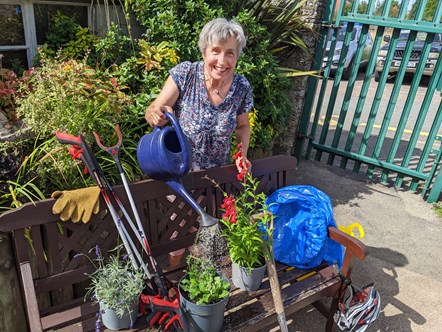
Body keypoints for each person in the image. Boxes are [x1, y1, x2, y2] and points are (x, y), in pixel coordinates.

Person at [145, 18, 253, 173]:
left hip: (218, 179)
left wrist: (241, 156)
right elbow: (152, 111)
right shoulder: (185, 75)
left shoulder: (241, 87)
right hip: (180, 175)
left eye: (230, 53)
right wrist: (158, 114)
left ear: (236, 57)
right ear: (204, 52)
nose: (222, 61)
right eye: (215, 51)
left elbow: (242, 126)